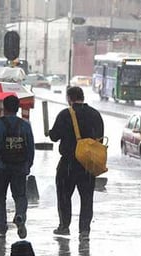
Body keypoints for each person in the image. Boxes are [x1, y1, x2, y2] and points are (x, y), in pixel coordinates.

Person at [48, 86, 104, 240]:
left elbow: (54, 136)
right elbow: (99, 136)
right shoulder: (95, 115)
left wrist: (51, 132)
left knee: (64, 195)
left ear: (69, 98)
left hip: (68, 162)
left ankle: (64, 226)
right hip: (88, 164)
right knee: (87, 198)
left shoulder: (65, 114)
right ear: (82, 97)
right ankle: (84, 230)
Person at [0, 95, 35, 239]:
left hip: (2, 166)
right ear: (18, 108)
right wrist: (28, 164)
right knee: (20, 196)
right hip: (20, 166)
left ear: (4, 107)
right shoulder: (25, 125)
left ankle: (1, 228)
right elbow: (31, 147)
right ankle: (20, 215)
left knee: (0, 197)